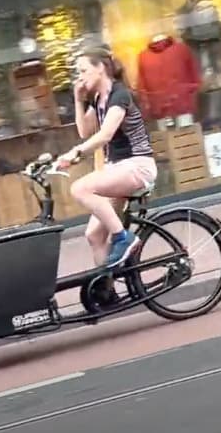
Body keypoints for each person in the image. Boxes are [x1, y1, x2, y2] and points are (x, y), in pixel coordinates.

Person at [57, 45, 158, 270]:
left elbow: (105, 134)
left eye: (83, 71)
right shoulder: (99, 99)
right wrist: (78, 100)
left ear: (101, 68)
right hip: (118, 169)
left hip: (137, 166)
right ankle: (106, 290)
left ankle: (123, 238)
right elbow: (85, 132)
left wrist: (76, 152)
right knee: (93, 234)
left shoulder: (119, 95)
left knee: (80, 188)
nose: (80, 77)